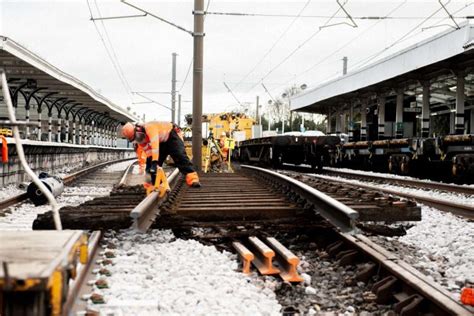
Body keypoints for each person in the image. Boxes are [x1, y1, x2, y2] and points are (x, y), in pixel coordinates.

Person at [122, 121, 201, 188]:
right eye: (134, 139)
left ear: (138, 129)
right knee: (150, 164)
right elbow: (149, 152)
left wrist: (155, 162)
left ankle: (193, 179)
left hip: (170, 136)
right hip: (161, 142)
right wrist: (152, 163)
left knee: (180, 156)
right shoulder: (140, 139)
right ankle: (154, 183)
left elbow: (155, 146)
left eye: (136, 136)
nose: (137, 139)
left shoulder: (150, 128)